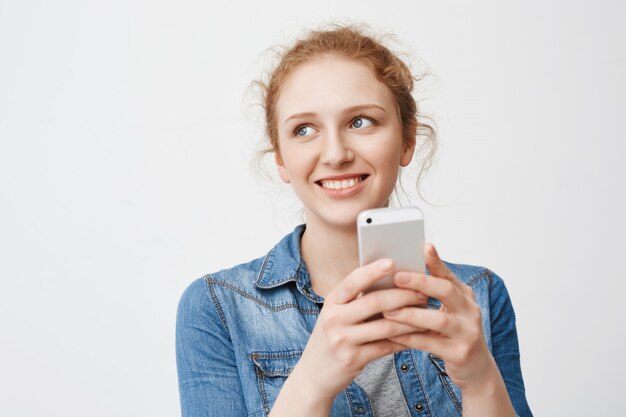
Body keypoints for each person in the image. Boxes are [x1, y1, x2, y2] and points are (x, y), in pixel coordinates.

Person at [176, 23, 533, 417]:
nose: (335, 153)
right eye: (304, 129)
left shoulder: (478, 295)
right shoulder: (217, 308)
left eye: (360, 121)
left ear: (407, 140)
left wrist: (481, 378)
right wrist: (312, 380)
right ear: (281, 158)